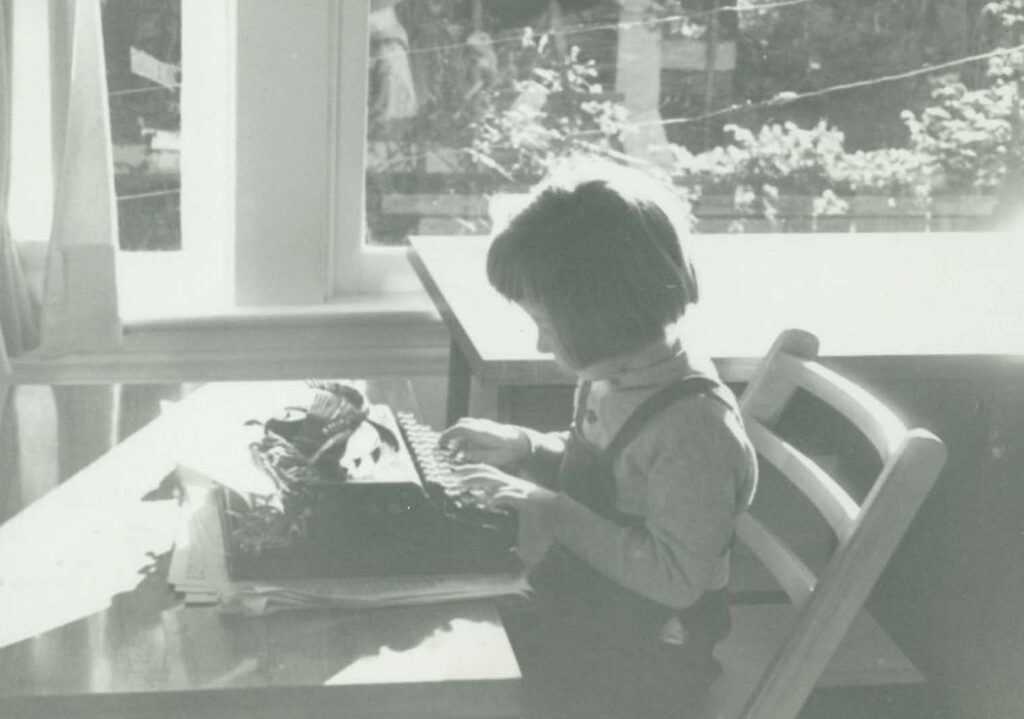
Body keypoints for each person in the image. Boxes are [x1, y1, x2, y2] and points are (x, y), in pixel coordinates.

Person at [439, 160, 758, 719]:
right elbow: (618, 478)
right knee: (453, 624)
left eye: (546, 325)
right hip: (590, 620)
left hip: (648, 664)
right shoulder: (616, 376)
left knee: (457, 679)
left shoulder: (694, 430)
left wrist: (550, 509)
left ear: (601, 317)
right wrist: (527, 446)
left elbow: (675, 579)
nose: (540, 345)